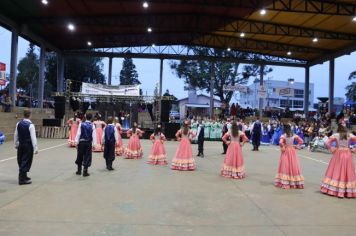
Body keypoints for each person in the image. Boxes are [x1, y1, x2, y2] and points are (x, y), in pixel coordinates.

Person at [320, 125, 356, 198]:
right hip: (347, 154)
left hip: (338, 153)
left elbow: (327, 143)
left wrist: (332, 149)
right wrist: (353, 149)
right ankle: (347, 191)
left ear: (339, 129)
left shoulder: (335, 135)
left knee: (336, 170)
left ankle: (333, 190)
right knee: (347, 171)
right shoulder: (350, 135)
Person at [274, 124, 304, 189]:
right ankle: (294, 181)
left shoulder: (283, 135)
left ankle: (286, 181)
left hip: (286, 151)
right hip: (292, 151)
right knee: (293, 165)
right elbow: (301, 141)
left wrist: (283, 146)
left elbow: (280, 142)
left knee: (285, 165)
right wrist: (297, 146)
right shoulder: (294, 135)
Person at [14, 109, 38, 185]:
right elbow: (33, 138)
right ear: (30, 115)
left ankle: (24, 176)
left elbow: (16, 135)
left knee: (21, 160)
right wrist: (35, 147)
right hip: (28, 146)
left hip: (21, 145)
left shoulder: (18, 123)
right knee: (26, 161)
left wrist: (15, 143)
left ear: (24, 115)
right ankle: (21, 180)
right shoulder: (31, 125)